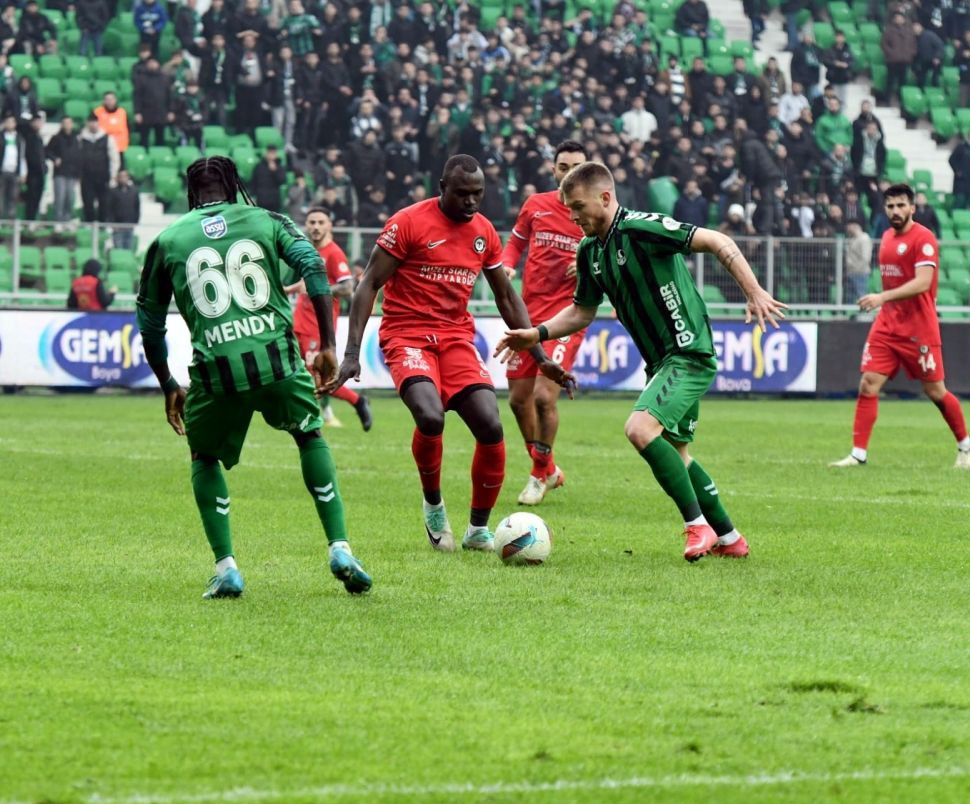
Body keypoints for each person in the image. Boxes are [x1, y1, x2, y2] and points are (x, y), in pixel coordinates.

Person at [497, 162, 787, 561]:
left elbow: (719, 240)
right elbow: (582, 312)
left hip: (688, 352)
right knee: (678, 453)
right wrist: (537, 333)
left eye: (579, 207)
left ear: (605, 197)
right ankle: (731, 538)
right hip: (660, 361)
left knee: (639, 428)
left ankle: (695, 526)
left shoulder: (642, 228)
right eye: (568, 209)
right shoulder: (589, 251)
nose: (574, 216)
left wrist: (753, 292)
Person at [136, 156, 372, 599]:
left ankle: (226, 567)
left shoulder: (168, 240)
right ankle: (340, 548)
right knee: (310, 436)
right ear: (233, 185)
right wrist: (326, 345)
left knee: (203, 458)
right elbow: (314, 269)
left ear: (192, 193)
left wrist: (169, 384)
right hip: (278, 361)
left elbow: (149, 321)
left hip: (216, 372)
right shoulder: (267, 220)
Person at [325, 154, 572, 553]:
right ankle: (434, 506)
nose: (471, 202)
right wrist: (351, 352)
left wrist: (540, 356)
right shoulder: (407, 222)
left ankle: (477, 530)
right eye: (462, 194)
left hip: (456, 337)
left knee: (491, 425)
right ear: (442, 188)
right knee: (430, 415)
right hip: (406, 335)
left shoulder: (484, 232)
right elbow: (368, 283)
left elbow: (506, 295)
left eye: (478, 194)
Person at [830, 184, 970, 470]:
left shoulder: (924, 238)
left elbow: (922, 283)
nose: (895, 211)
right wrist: (885, 304)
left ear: (912, 208)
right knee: (868, 384)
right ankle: (858, 453)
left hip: (919, 328)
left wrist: (881, 297)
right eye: (890, 206)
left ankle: (965, 444)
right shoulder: (884, 237)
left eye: (900, 205)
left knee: (935, 391)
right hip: (887, 325)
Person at [499, 140, 587, 506]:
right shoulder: (535, 205)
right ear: (554, 169)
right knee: (518, 401)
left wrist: (585, 263)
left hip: (567, 316)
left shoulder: (596, 212)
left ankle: (537, 476)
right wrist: (506, 264)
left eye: (577, 167)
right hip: (527, 312)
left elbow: (614, 258)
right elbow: (516, 243)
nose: (569, 172)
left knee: (542, 395)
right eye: (563, 166)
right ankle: (549, 467)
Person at [284, 206, 372, 430]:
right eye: (312, 222)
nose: (315, 227)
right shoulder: (310, 251)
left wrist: (320, 290)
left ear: (329, 226)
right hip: (300, 320)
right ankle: (308, 415)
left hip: (318, 325)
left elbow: (347, 286)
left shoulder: (333, 253)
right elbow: (306, 284)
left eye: (320, 222)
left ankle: (357, 402)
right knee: (299, 370)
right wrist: (288, 290)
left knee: (319, 375)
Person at [0, 113, 26, 220]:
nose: (10, 124)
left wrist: (23, 172)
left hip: (14, 172)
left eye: (12, 122)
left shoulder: (20, 139)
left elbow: (22, 156)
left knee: (13, 198)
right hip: (0, 171)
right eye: (7, 122)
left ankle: (10, 221)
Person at [78, 113, 118, 222]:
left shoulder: (107, 138)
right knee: (87, 203)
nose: (93, 125)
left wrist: (113, 175)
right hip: (86, 177)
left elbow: (114, 158)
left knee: (103, 203)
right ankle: (89, 225)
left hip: (103, 176)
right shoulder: (81, 138)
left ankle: (102, 226)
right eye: (90, 122)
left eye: (95, 122)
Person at [46, 116, 80, 222]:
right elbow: (47, 151)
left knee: (70, 198)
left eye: (69, 123)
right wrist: (55, 159)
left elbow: (80, 155)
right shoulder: (56, 138)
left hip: (72, 173)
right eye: (65, 123)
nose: (67, 125)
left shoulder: (76, 138)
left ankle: (67, 219)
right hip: (60, 173)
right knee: (60, 198)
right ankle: (58, 221)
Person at [106, 168, 140, 247]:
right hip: (117, 226)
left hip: (129, 225)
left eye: (125, 176)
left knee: (128, 250)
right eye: (120, 176)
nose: (123, 178)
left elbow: (137, 207)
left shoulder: (134, 191)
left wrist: (135, 221)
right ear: (117, 178)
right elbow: (109, 209)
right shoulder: (112, 191)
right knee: (119, 250)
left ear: (128, 177)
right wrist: (112, 224)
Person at [843, 220, 872, 303]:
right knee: (849, 296)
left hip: (860, 272)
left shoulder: (864, 238)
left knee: (861, 295)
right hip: (851, 272)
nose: (847, 228)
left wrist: (857, 268)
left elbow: (866, 258)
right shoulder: (852, 238)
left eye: (848, 226)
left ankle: (864, 314)